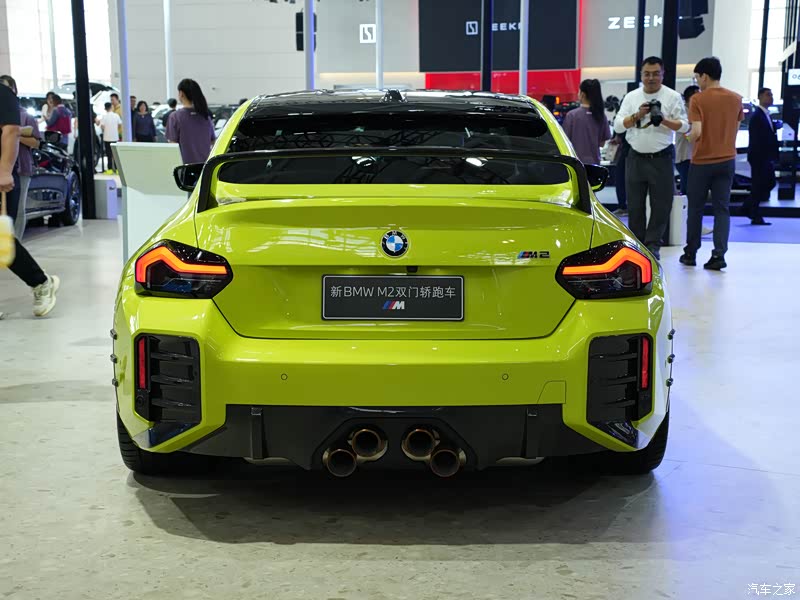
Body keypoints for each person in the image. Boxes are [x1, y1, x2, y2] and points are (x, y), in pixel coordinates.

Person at [613, 56, 689, 259]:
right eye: (647, 74)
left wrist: (664, 120)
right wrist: (637, 115)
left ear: (663, 74)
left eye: (656, 73)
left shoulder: (672, 96)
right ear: (641, 75)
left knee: (661, 205)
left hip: (662, 157)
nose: (651, 78)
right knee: (635, 205)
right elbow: (618, 126)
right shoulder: (632, 97)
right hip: (635, 157)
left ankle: (653, 244)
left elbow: (684, 126)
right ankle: (638, 244)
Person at [0, 75, 59, 318]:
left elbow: (11, 131)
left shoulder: (3, 94)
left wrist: (4, 170)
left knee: (2, 239)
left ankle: (41, 282)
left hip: (2, 178)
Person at [680, 57, 744, 270]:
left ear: (704, 76)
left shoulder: (698, 99)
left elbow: (696, 132)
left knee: (695, 209)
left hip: (702, 162)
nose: (697, 81)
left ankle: (690, 253)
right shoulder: (736, 99)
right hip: (727, 160)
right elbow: (735, 128)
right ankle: (719, 255)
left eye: (697, 77)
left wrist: (686, 137)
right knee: (722, 209)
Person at [12, 80, 41, 240]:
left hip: (21, 167)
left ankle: (16, 242)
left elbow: (36, 142)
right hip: (5, 167)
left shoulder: (25, 116)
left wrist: (15, 135)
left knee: (18, 207)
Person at [744, 87, 778, 226]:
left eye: (771, 95)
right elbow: (757, 139)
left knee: (767, 183)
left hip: (765, 157)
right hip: (759, 157)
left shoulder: (766, 115)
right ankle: (754, 213)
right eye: (768, 95)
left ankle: (747, 207)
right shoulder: (757, 116)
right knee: (760, 185)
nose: (771, 97)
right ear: (760, 97)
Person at [562, 79, 611, 165]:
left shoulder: (572, 115)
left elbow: (564, 141)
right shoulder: (601, 116)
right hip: (594, 164)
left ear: (583, 95)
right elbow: (602, 143)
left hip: (575, 164)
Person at [166, 78, 216, 164]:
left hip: (184, 167)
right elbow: (213, 141)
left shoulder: (175, 117)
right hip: (205, 166)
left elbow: (172, 145)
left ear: (181, 93)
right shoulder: (205, 117)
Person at [675, 85, 700, 196]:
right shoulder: (683, 114)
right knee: (687, 190)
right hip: (685, 157)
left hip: (694, 156)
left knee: (694, 189)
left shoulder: (695, 113)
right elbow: (689, 136)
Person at [98, 102, 122, 172]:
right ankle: (117, 169)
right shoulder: (116, 115)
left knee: (109, 154)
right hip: (115, 137)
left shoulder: (104, 116)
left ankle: (110, 169)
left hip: (107, 137)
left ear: (105, 108)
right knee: (115, 155)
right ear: (111, 107)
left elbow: (102, 126)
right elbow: (119, 124)